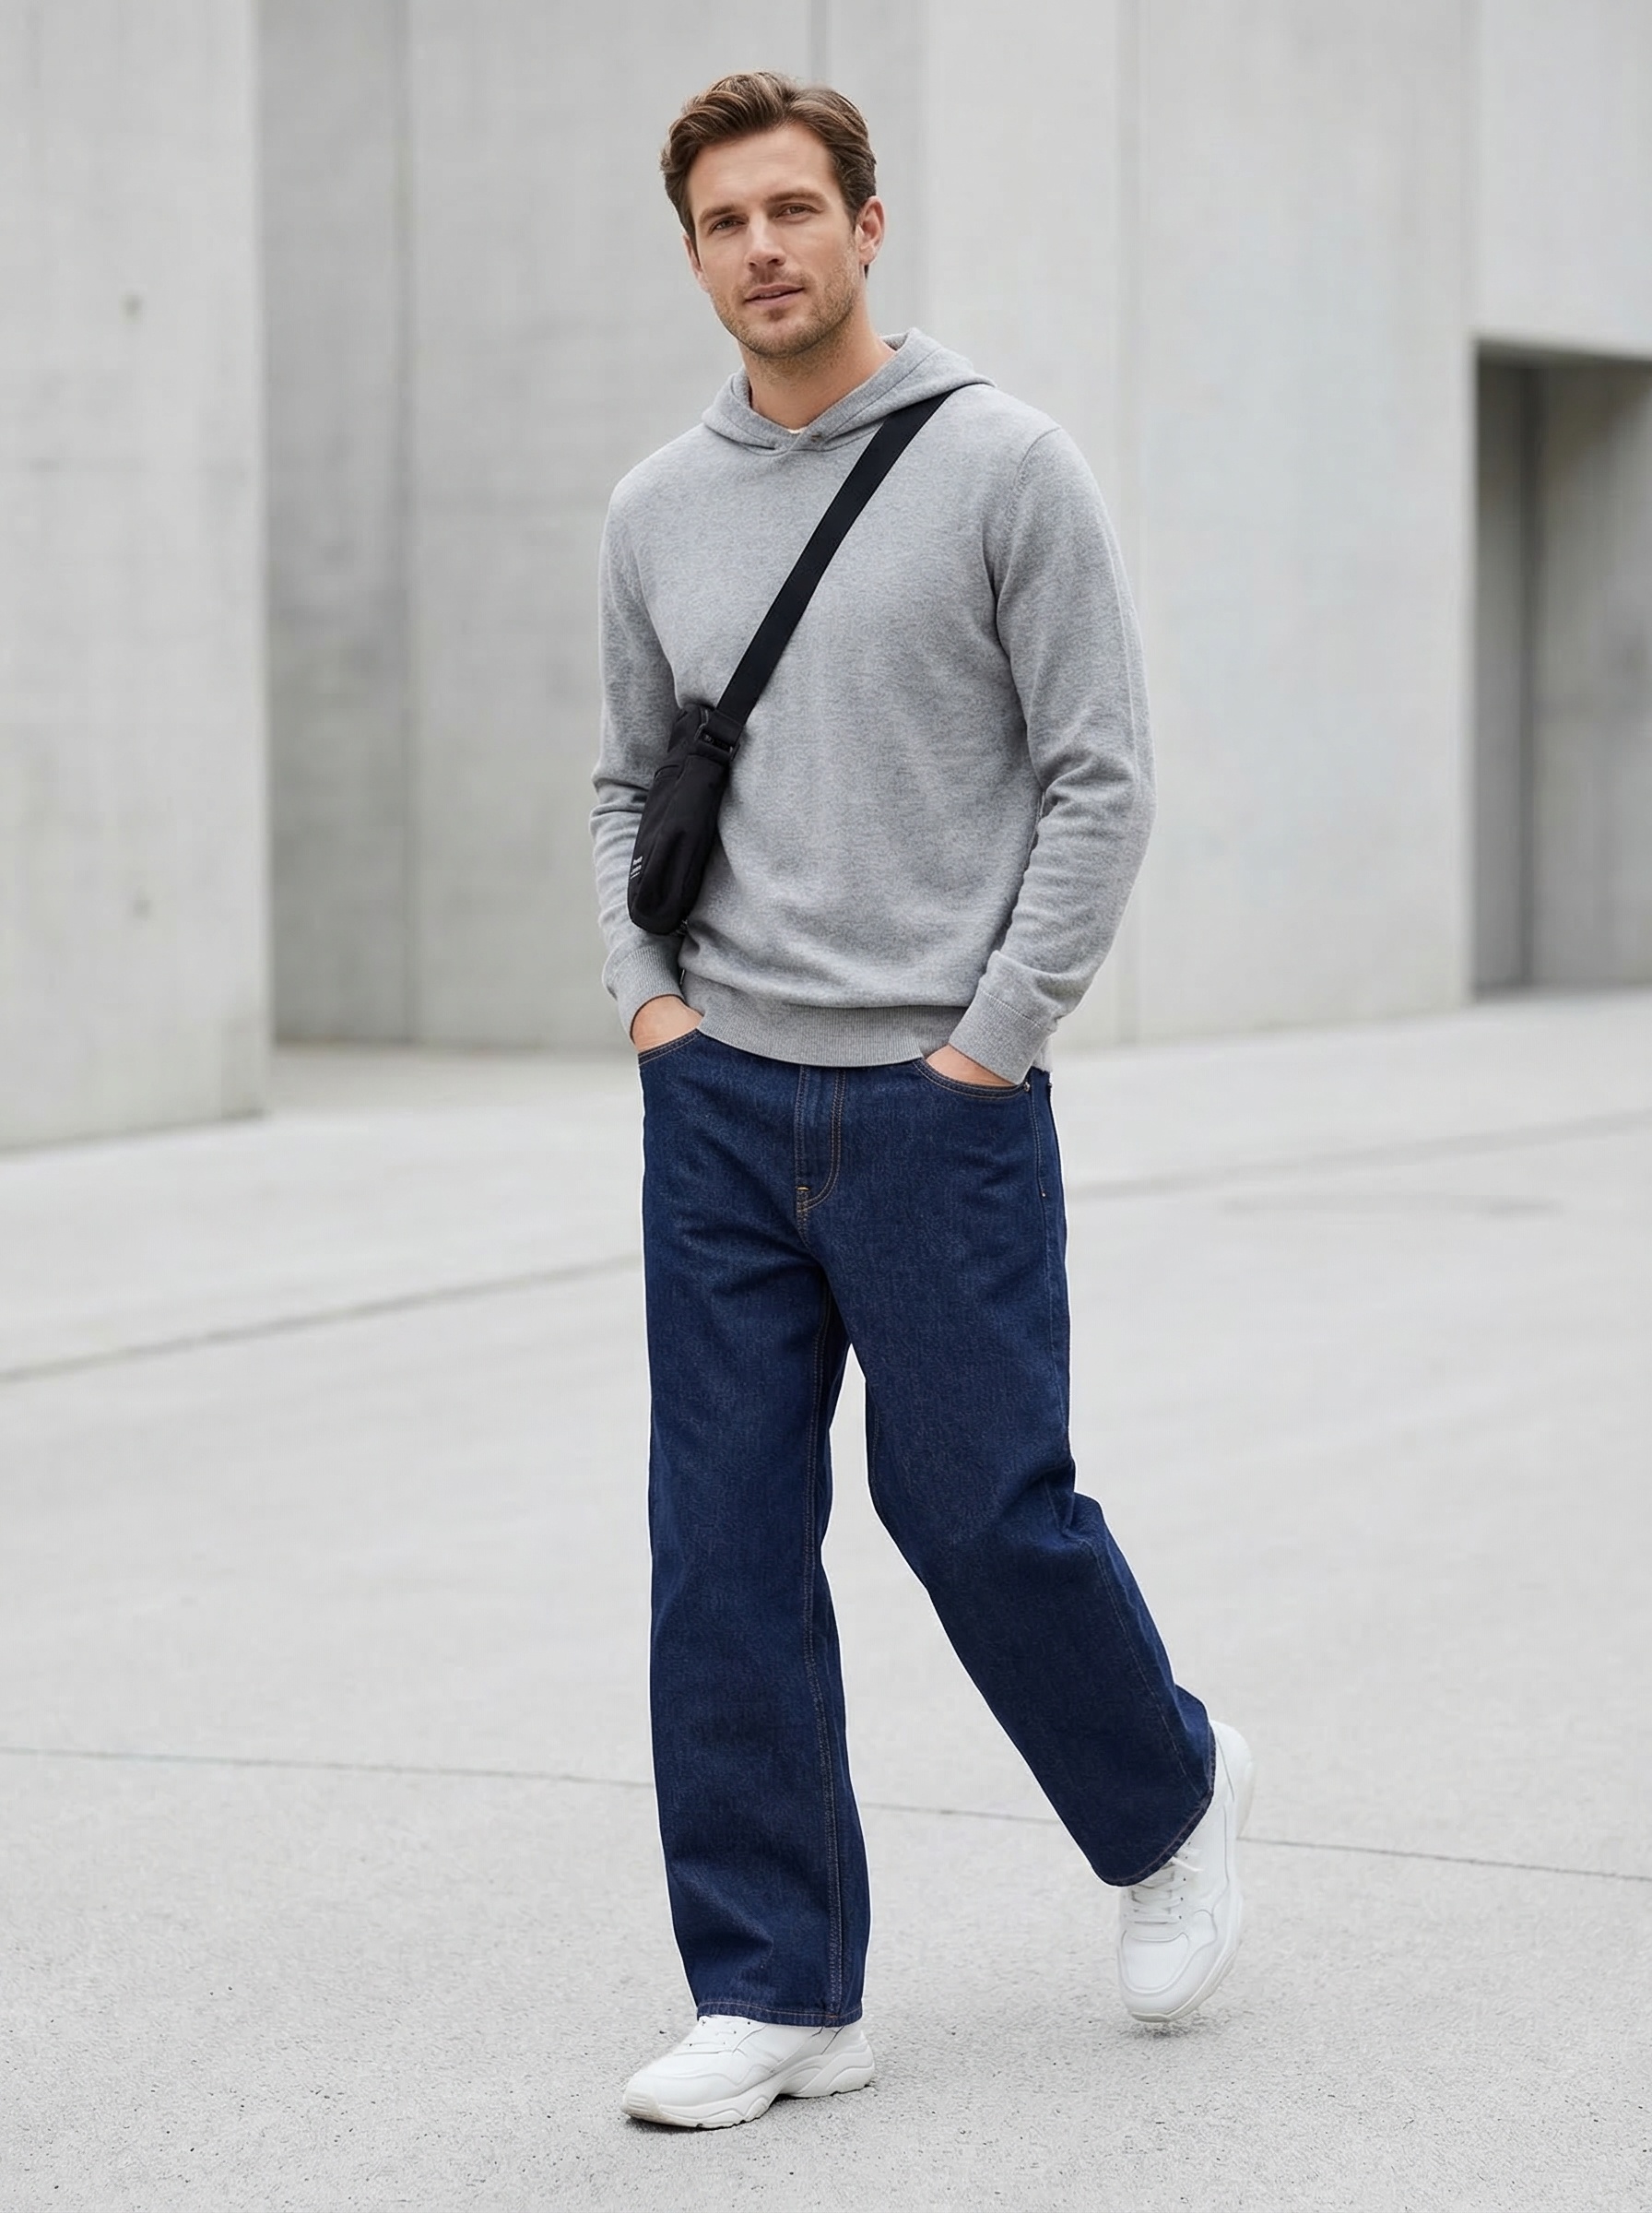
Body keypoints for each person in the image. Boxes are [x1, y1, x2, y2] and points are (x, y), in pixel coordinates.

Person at [590, 70, 1252, 2133]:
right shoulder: (653, 511)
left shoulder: (1002, 468)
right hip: (716, 1098)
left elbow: (1099, 778)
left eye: (793, 209)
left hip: (932, 1101)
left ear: (867, 226)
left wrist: (991, 1044)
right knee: (718, 1549)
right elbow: (624, 781)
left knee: (978, 1514)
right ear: (694, 255)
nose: (762, 250)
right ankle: (779, 1989)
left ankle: (1166, 1804)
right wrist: (648, 1004)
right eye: (724, 223)